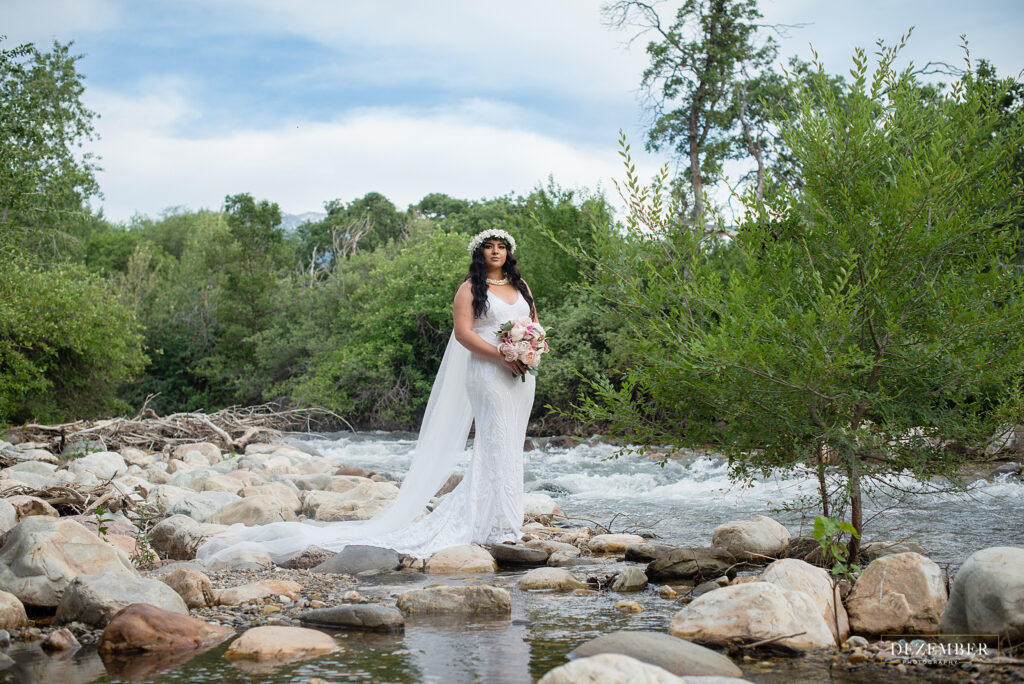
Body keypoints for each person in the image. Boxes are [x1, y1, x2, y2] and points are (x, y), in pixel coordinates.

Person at [196, 228, 538, 566]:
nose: (495, 252)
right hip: (488, 371)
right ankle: (493, 525)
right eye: (489, 247)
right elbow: (463, 333)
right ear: (479, 254)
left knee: (511, 443)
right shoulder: (469, 289)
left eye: (501, 247)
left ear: (509, 252)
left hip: (520, 375)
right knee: (493, 441)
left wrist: (528, 351)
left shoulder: (521, 288)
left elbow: (533, 325)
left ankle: (506, 521)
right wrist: (501, 355)